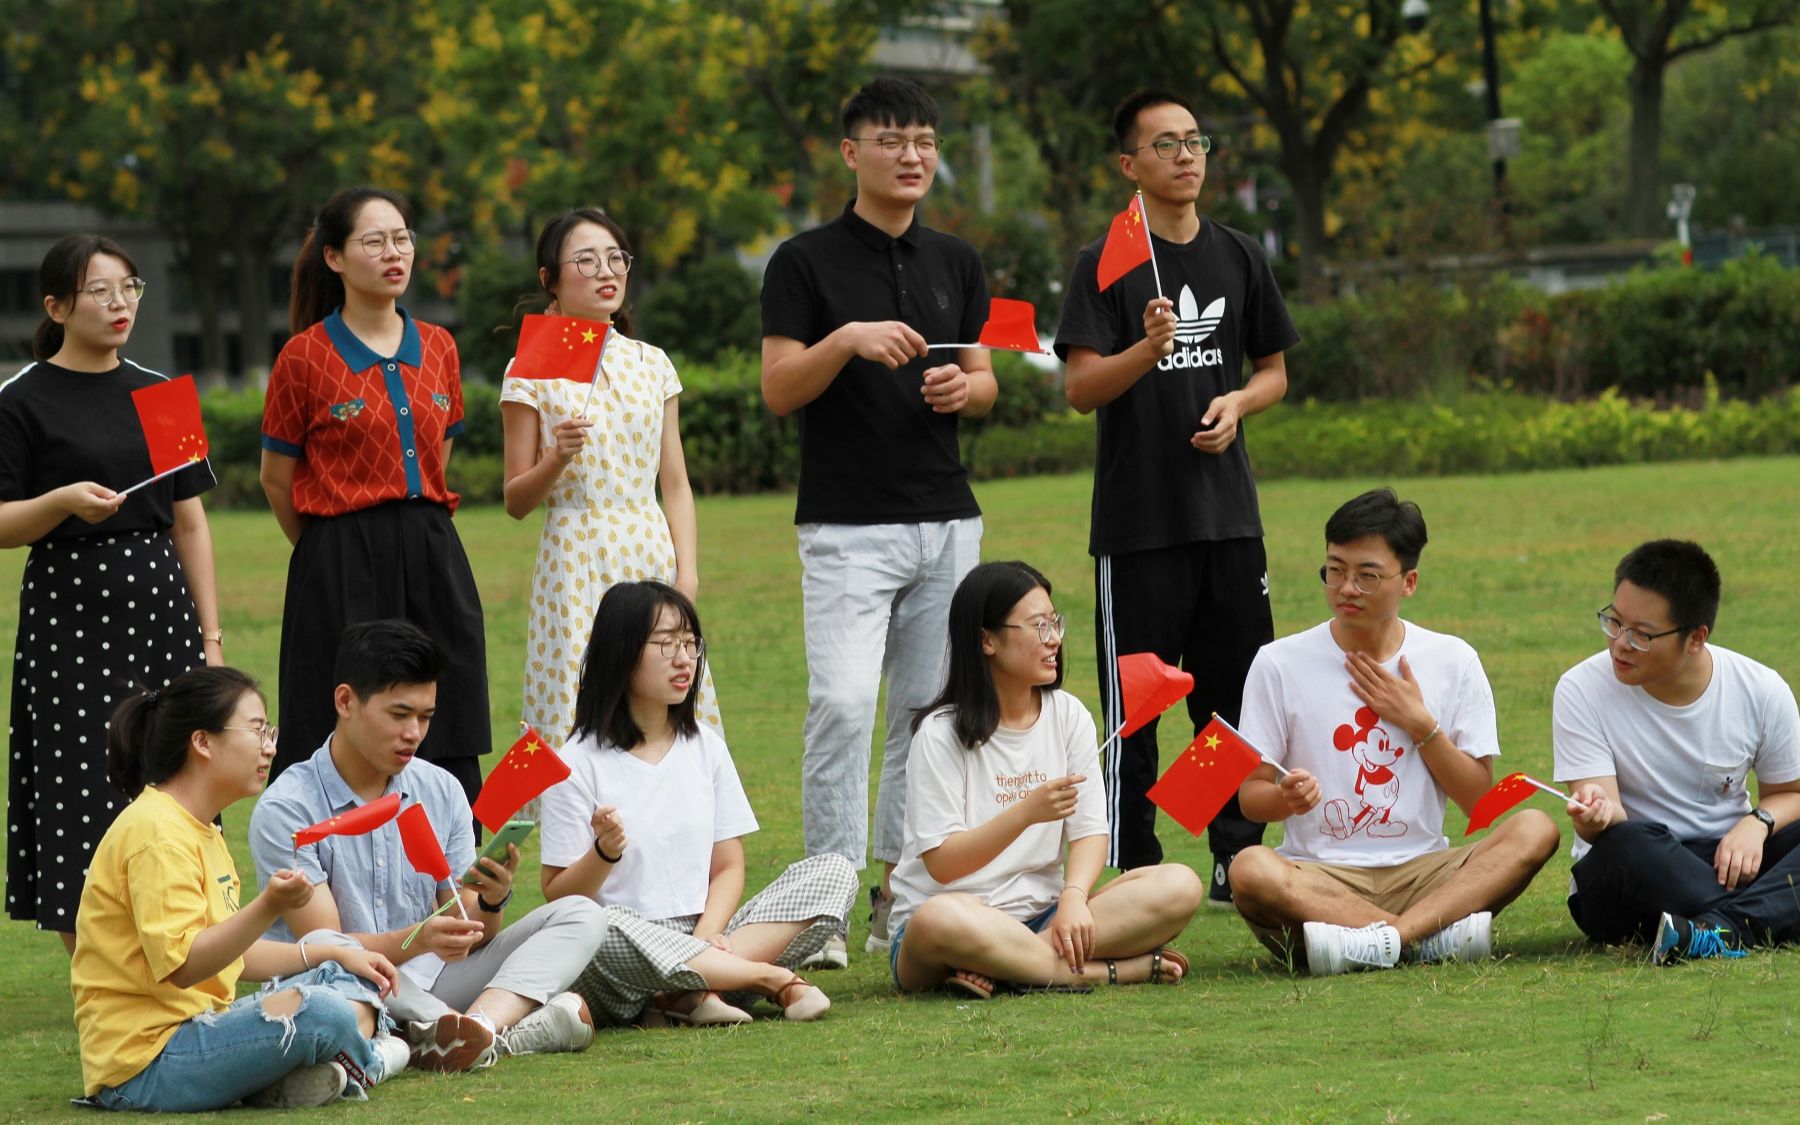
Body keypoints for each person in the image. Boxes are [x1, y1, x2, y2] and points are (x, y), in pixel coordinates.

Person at [760, 76, 996, 965]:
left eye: (926, 140)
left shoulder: (957, 260)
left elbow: (988, 377)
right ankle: (822, 908)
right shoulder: (804, 261)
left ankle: (901, 895)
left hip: (947, 520)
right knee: (843, 705)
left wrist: (964, 387)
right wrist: (847, 339)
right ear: (852, 151)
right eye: (893, 139)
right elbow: (779, 388)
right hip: (846, 528)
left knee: (927, 716)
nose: (912, 155)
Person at [1053, 90, 1300, 901]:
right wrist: (1146, 348)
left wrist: (1238, 404)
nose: (1186, 155)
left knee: (1229, 698)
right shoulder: (1105, 262)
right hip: (1139, 526)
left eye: (1195, 141)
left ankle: (1231, 850)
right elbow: (1082, 388)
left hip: (1228, 519)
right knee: (1138, 709)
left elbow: (1273, 373)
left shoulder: (1238, 254)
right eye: (1166, 144)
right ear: (1131, 166)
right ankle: (1136, 857)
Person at [1228, 490, 1559, 975]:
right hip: (1319, 877)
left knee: (1536, 828)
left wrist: (1421, 725)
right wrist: (1286, 799)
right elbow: (1250, 797)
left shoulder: (1453, 660)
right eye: (1335, 570)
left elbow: (1478, 800)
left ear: (1409, 582)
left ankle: (1383, 940)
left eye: (1367, 576)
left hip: (1424, 871)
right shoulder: (1279, 662)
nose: (1346, 588)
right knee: (1250, 869)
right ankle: (1428, 938)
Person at [248, 620, 603, 1072]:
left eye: (425, 717)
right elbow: (326, 944)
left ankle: (476, 1029)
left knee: (581, 914)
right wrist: (417, 940)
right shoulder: (288, 808)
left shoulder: (442, 789)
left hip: (436, 979)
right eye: (399, 715)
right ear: (345, 701)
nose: (414, 733)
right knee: (339, 972)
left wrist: (491, 900)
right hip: (346, 985)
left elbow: (468, 931)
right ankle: (490, 1032)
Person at [2, 234, 223, 952]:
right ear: (56, 305)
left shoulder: (162, 392)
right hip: (69, 614)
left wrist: (210, 637)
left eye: (129, 287)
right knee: (79, 777)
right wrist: (62, 500)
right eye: (100, 291)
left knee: (178, 768)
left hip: (161, 608)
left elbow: (190, 523)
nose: (119, 303)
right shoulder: (20, 399)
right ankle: (95, 965)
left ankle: (187, 942)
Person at [73, 667, 408, 1110]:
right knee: (323, 1010)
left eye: (269, 731)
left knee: (340, 969)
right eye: (256, 730)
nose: (270, 746)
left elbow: (229, 954)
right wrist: (269, 905)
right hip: (145, 1066)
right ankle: (372, 1060)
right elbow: (185, 966)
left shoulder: (201, 829)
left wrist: (330, 952)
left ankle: (296, 1075)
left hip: (200, 1033)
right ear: (203, 742)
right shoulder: (155, 835)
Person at [259, 186, 489, 803]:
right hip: (337, 557)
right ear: (334, 257)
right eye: (374, 241)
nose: (395, 253)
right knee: (341, 715)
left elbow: (439, 458)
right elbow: (276, 479)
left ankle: (454, 873)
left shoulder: (440, 346)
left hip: (433, 551)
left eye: (402, 238)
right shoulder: (303, 357)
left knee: (446, 711)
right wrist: (325, 550)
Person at [538, 581, 853, 1025]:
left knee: (833, 873)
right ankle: (766, 980)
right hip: (626, 946)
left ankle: (684, 991)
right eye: (667, 644)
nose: (685, 658)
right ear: (622, 652)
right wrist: (604, 853)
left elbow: (728, 865)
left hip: (709, 931)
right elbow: (559, 895)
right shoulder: (576, 762)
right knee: (598, 925)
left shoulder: (706, 746)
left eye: (690, 643)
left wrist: (706, 935)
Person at [889, 561, 1203, 998]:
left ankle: (1008, 966)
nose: (1054, 638)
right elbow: (943, 864)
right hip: (958, 921)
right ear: (986, 640)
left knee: (1180, 884)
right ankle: (1106, 971)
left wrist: (1074, 896)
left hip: (1046, 918)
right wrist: (1025, 813)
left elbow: (1091, 831)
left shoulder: (1068, 715)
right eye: (1038, 626)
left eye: (1055, 623)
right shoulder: (941, 733)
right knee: (937, 918)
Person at [501, 209, 721, 756]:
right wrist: (556, 457)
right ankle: (577, 835)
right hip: (576, 557)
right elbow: (515, 499)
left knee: (664, 701)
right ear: (549, 277)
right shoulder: (529, 367)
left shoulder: (652, 363)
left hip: (648, 549)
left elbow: (675, 481)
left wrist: (686, 575)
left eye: (615, 258)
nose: (607, 271)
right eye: (586, 260)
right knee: (578, 710)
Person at [1553, 539, 1800, 963]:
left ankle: (1710, 932)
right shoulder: (1581, 688)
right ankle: (1763, 916)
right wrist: (1600, 814)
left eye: (1642, 635)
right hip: (1630, 872)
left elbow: (1791, 793)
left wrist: (1757, 822)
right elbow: (1601, 829)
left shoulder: (1760, 689)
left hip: (1728, 859)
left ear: (1695, 638)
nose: (1620, 644)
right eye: (1614, 622)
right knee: (1629, 842)